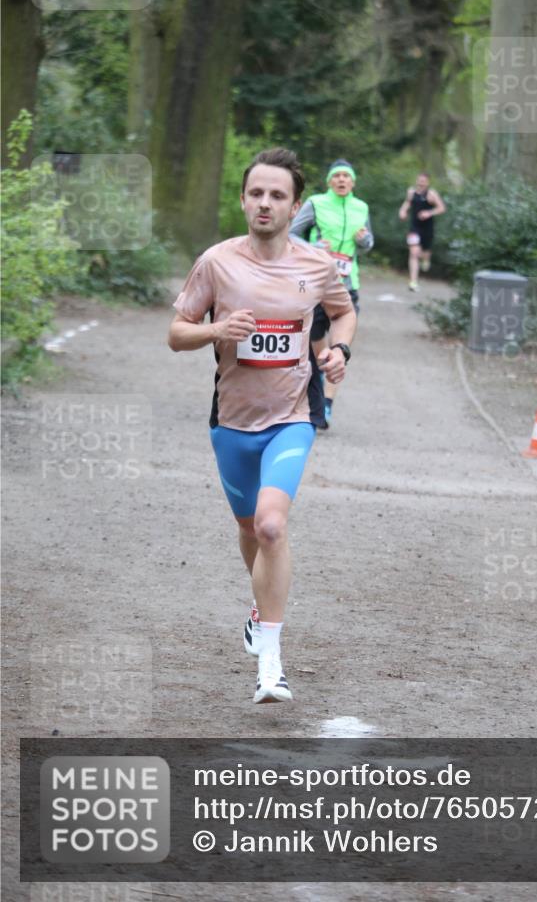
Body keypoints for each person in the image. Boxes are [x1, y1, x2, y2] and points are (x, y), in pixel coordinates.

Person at [168, 148, 356, 704]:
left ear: (296, 207)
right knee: (251, 529)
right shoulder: (217, 263)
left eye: (277, 195)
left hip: (293, 416)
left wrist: (340, 349)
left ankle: (270, 664)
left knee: (273, 526)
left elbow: (343, 311)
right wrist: (217, 329)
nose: (265, 203)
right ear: (243, 200)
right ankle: (260, 607)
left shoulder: (316, 266)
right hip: (231, 422)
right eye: (256, 193)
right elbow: (176, 332)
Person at [289, 158, 373, 428]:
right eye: (336, 176)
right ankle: (320, 371)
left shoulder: (361, 207)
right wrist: (313, 246)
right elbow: (291, 234)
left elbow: (368, 243)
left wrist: (364, 241)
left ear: (353, 182)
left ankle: (326, 404)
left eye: (346, 176)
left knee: (340, 346)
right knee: (314, 336)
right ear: (329, 181)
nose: (341, 180)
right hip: (318, 284)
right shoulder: (316, 203)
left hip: (348, 284)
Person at [398, 172, 446, 292]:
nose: (421, 183)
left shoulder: (431, 194)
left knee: (424, 253)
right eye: (419, 181)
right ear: (416, 181)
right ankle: (413, 282)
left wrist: (429, 213)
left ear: (427, 183)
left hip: (427, 229)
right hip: (414, 228)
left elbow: (442, 208)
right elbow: (407, 203)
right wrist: (403, 212)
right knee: (414, 253)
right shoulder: (411, 192)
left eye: (423, 181)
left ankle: (426, 258)